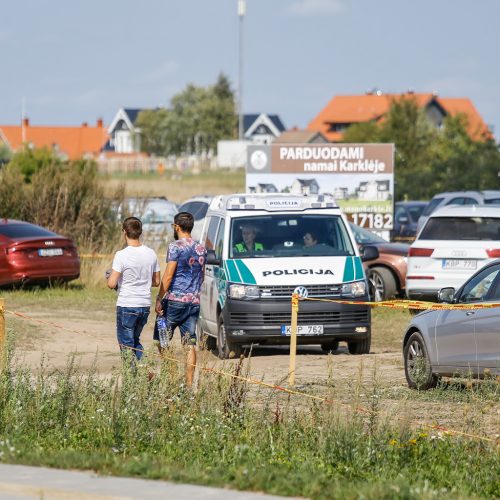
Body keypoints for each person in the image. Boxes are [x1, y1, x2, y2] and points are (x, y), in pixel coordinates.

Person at [155, 211, 207, 387]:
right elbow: (202, 276)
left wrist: (159, 298)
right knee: (190, 343)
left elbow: (168, 275)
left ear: (176, 227)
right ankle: (189, 384)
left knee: (161, 339)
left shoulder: (175, 247)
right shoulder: (201, 248)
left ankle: (170, 377)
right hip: (193, 303)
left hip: (174, 302)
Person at [107, 217, 161, 362]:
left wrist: (112, 278)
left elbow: (112, 283)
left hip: (127, 305)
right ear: (140, 232)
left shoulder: (121, 255)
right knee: (134, 341)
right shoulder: (151, 253)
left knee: (126, 345)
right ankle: (145, 367)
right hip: (144, 305)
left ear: (124, 232)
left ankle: (131, 378)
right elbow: (156, 281)